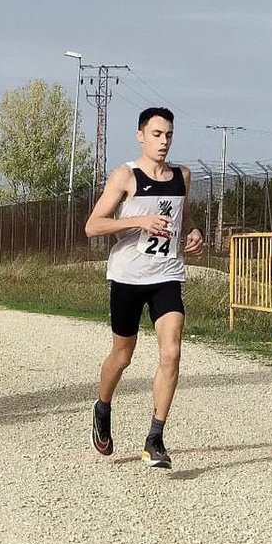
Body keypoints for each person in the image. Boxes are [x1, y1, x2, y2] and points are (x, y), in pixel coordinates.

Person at [85, 107, 205, 470]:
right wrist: (140, 221)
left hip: (166, 275)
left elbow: (184, 220)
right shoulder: (126, 175)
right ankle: (103, 406)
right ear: (140, 135)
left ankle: (155, 438)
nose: (164, 141)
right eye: (156, 134)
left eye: (168, 134)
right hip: (128, 277)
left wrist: (193, 234)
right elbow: (93, 226)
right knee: (122, 356)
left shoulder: (182, 176)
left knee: (172, 351)